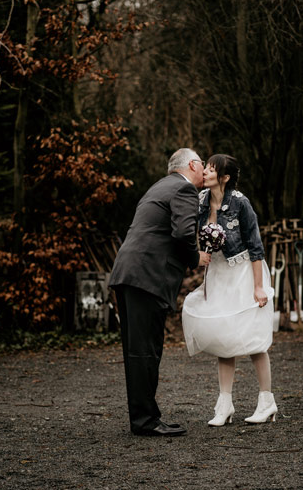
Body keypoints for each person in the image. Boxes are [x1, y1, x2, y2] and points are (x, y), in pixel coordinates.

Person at [109, 148, 211, 437]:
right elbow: (182, 233)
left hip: (129, 272)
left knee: (136, 350)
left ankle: (143, 417)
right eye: (202, 164)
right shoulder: (184, 189)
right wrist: (195, 258)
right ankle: (145, 421)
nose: (204, 169)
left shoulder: (159, 186)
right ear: (192, 164)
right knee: (145, 350)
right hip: (147, 276)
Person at [181, 154, 277, 426]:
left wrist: (259, 287)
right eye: (207, 167)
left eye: (212, 169)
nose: (206, 172)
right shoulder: (200, 201)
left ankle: (266, 401)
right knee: (224, 339)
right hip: (219, 275)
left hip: (244, 272)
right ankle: (224, 404)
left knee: (253, 338)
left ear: (224, 177)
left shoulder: (240, 203)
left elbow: (256, 247)